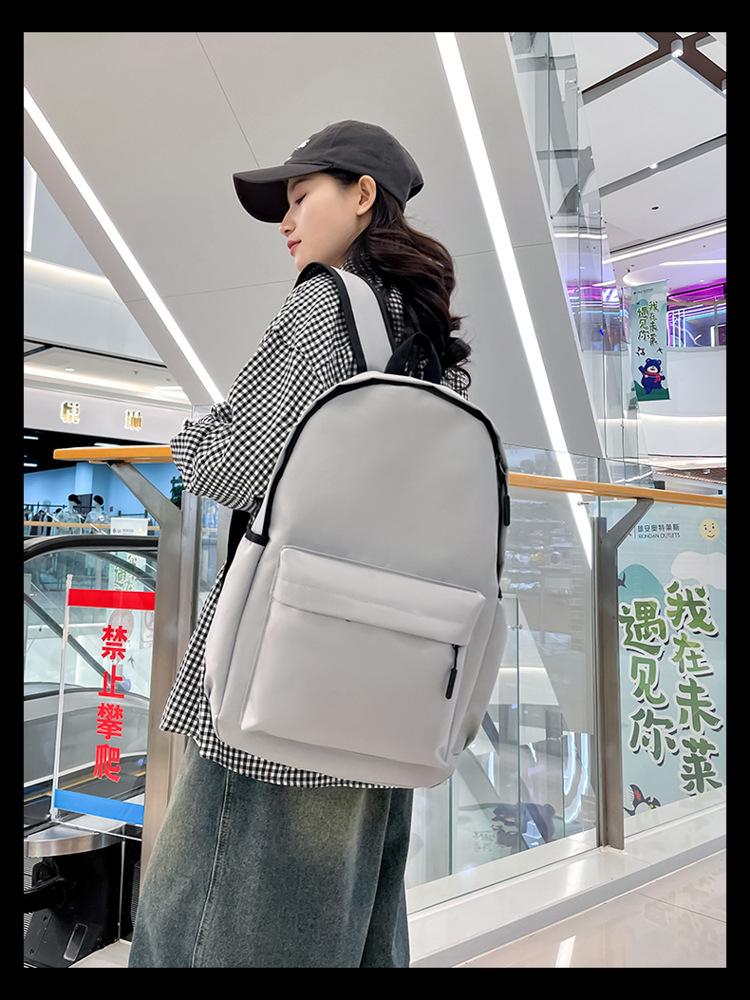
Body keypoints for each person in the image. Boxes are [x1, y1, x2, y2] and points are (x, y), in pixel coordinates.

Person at [128, 120, 473, 969]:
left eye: (300, 196)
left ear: (362, 195)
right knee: (353, 916)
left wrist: (188, 435)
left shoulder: (324, 300)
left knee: (207, 912)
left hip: (289, 667)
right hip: (393, 674)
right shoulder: (416, 324)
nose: (285, 221)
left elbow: (235, 463)